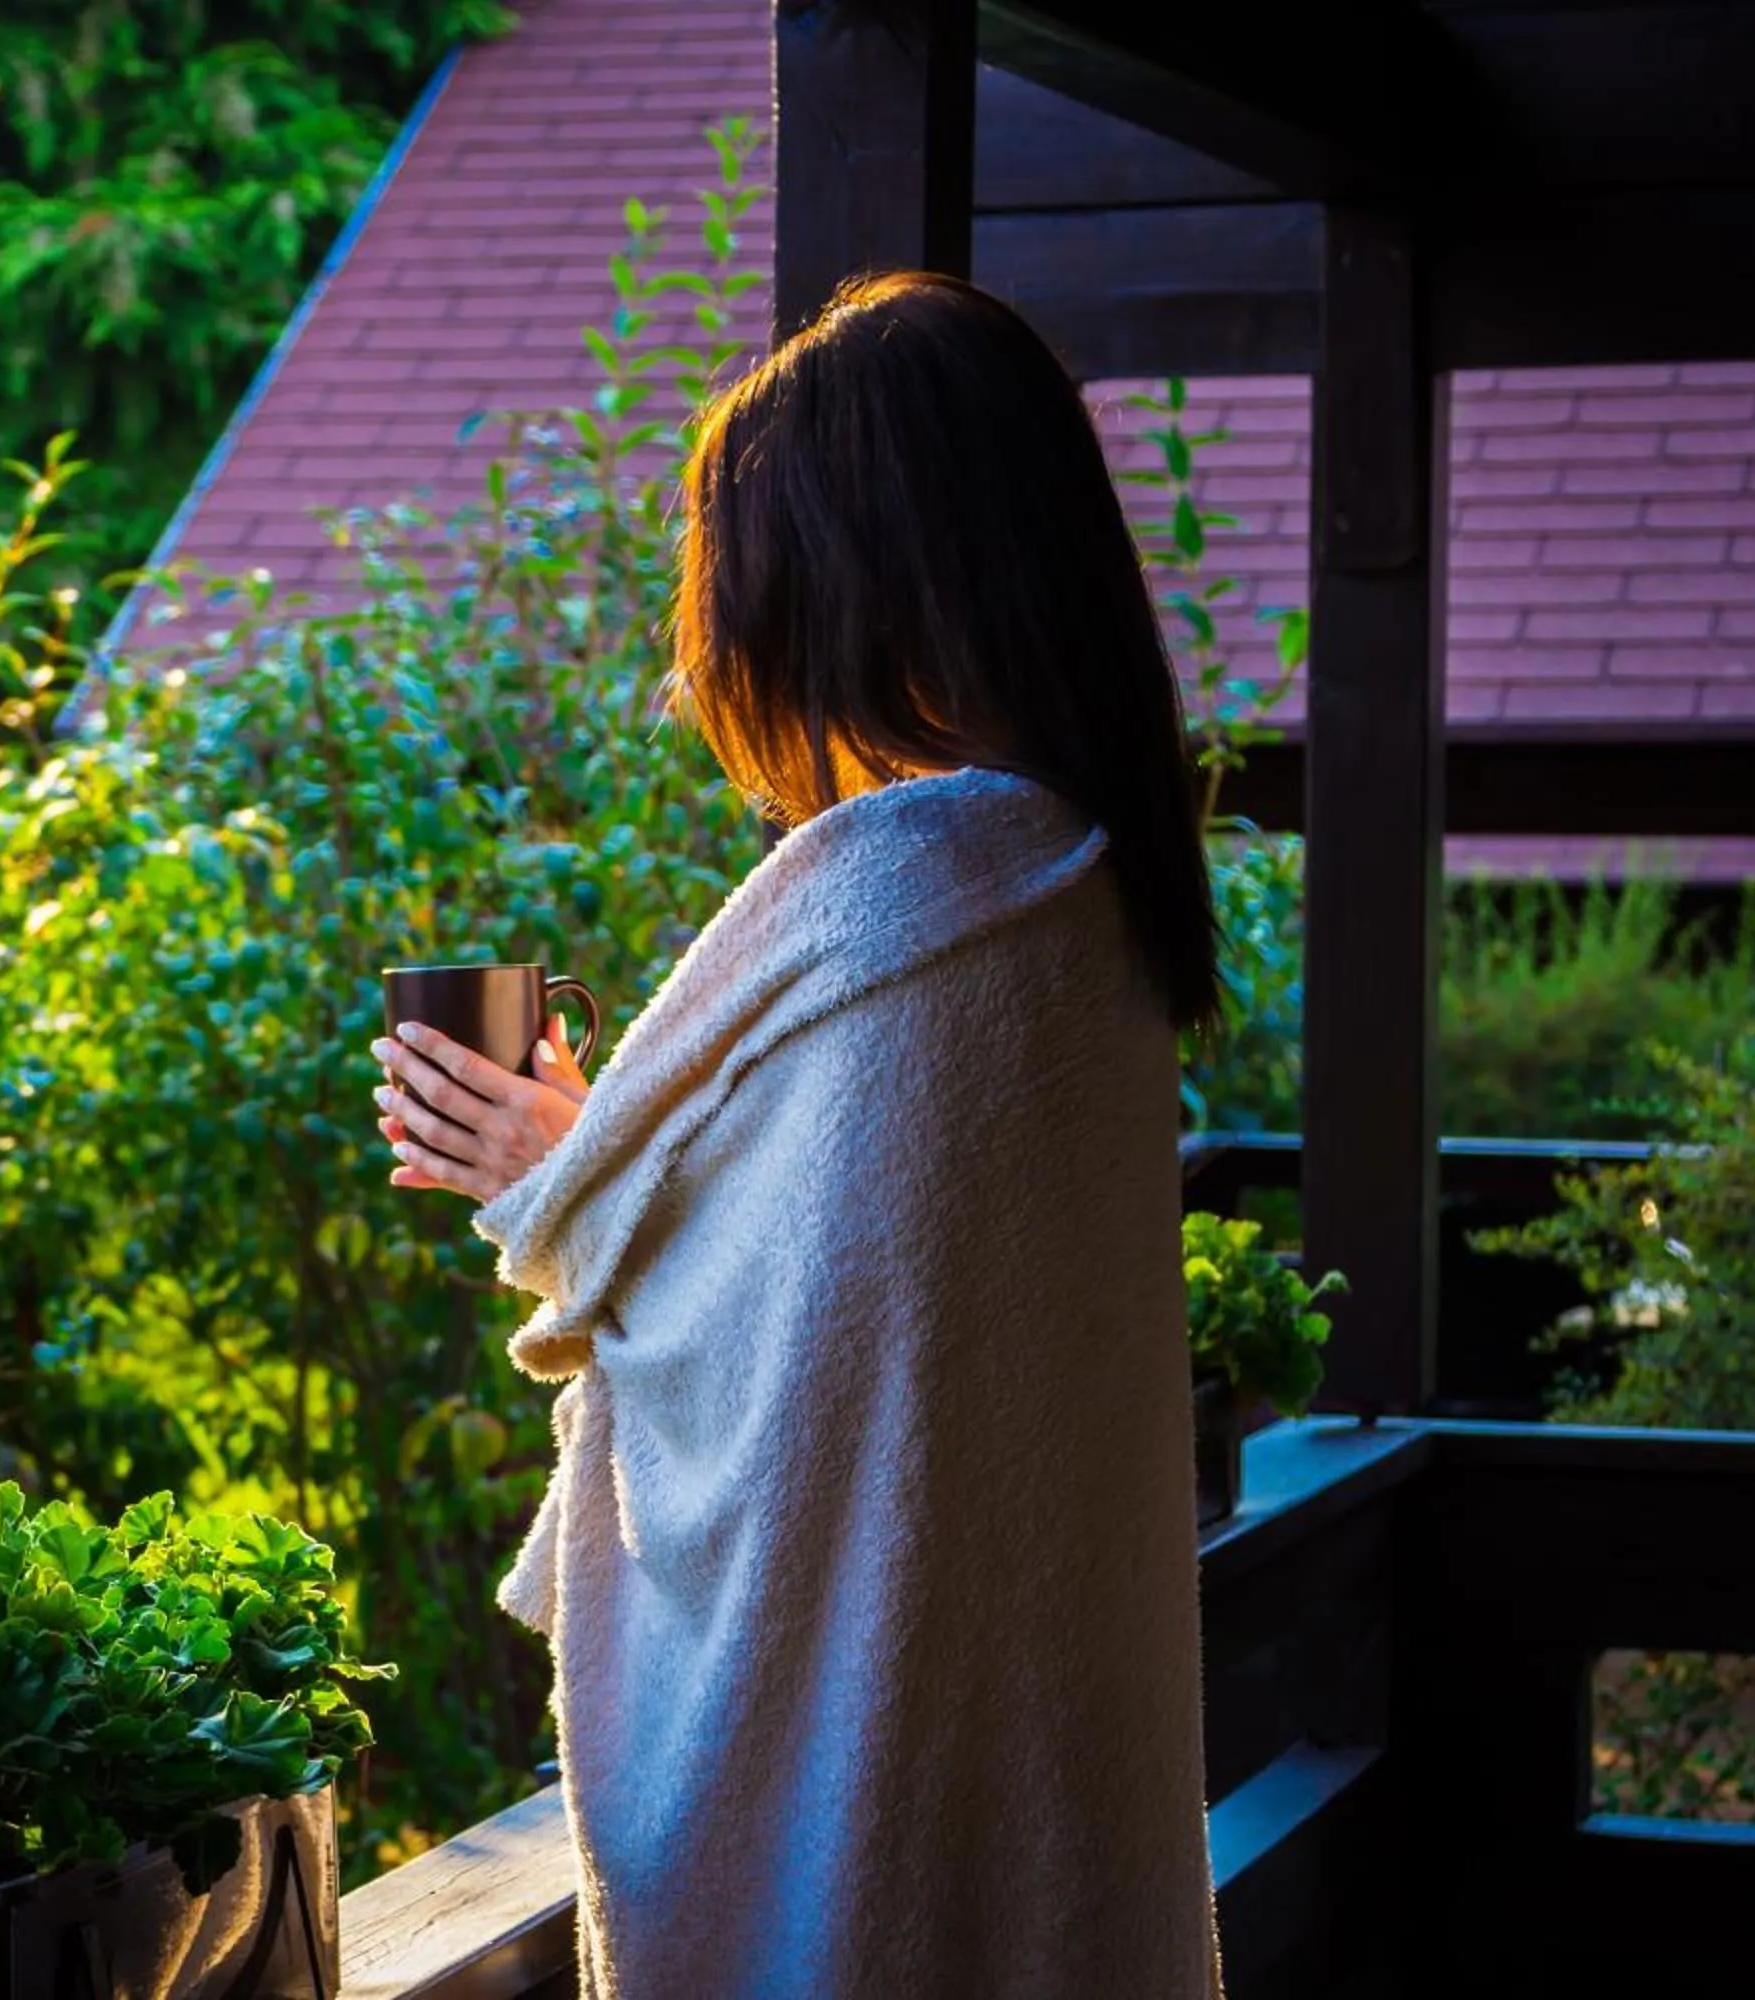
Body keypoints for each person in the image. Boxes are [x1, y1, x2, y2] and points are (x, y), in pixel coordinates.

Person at [367, 270, 1224, 1999]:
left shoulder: (902, 885)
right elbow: (878, 1302)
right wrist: (603, 1163)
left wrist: (554, 1181)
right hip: (1048, 1774)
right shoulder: (1086, 885)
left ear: (854, 575)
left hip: (885, 1810)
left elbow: (797, 1373)